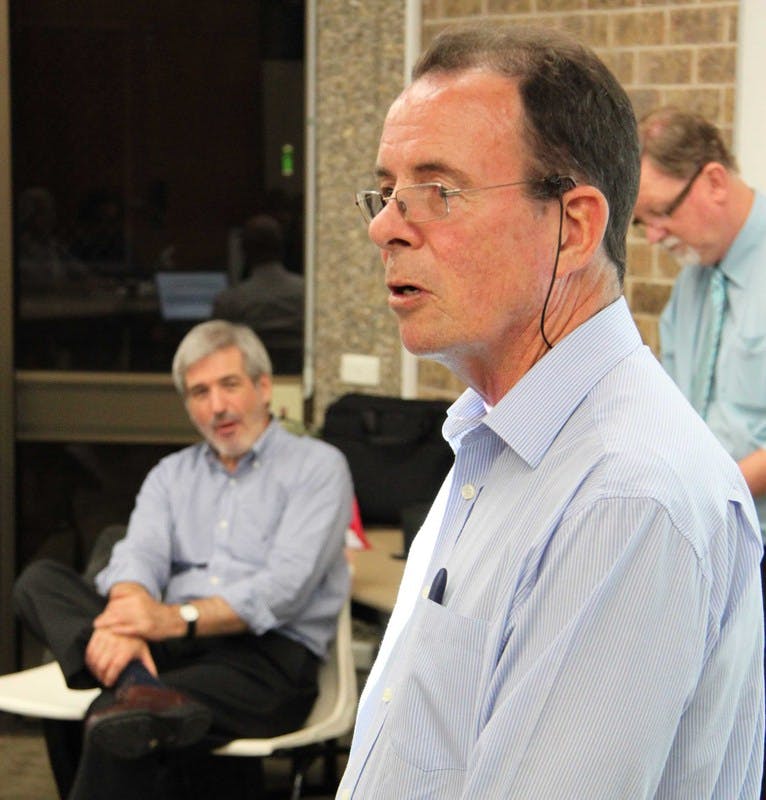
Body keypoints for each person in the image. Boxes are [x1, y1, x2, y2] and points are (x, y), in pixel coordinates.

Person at [338, 23, 764, 799]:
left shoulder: (624, 499)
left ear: (574, 228)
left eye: (439, 191)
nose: (385, 226)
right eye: (389, 190)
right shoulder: (496, 438)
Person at [13, 319, 353, 800]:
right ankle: (135, 679)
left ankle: (132, 685)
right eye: (199, 392)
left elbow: (283, 589)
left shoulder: (318, 467)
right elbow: (139, 554)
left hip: (265, 662)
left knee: (116, 721)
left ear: (262, 386)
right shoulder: (170, 475)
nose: (217, 406)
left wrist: (170, 619)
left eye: (229, 385)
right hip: (170, 649)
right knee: (39, 580)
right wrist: (132, 610)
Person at [633, 107, 766, 543]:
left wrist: (710, 493)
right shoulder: (691, 282)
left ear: (713, 181)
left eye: (661, 212)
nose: (654, 236)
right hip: (708, 535)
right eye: (641, 223)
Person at [212, 214, 304, 373]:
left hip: (248, 375)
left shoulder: (229, 301)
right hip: (296, 375)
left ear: (244, 251)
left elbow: (215, 347)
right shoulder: (306, 292)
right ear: (282, 248)